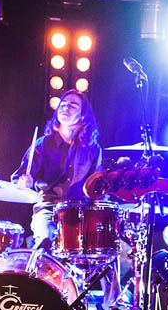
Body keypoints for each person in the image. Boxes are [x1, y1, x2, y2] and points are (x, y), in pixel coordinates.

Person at [12, 89, 103, 250]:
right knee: (46, 237)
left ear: (83, 115)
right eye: (63, 104)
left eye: (73, 105)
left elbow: (98, 186)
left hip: (80, 211)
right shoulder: (42, 144)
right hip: (48, 209)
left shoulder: (92, 149)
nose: (65, 108)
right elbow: (17, 179)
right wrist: (23, 184)